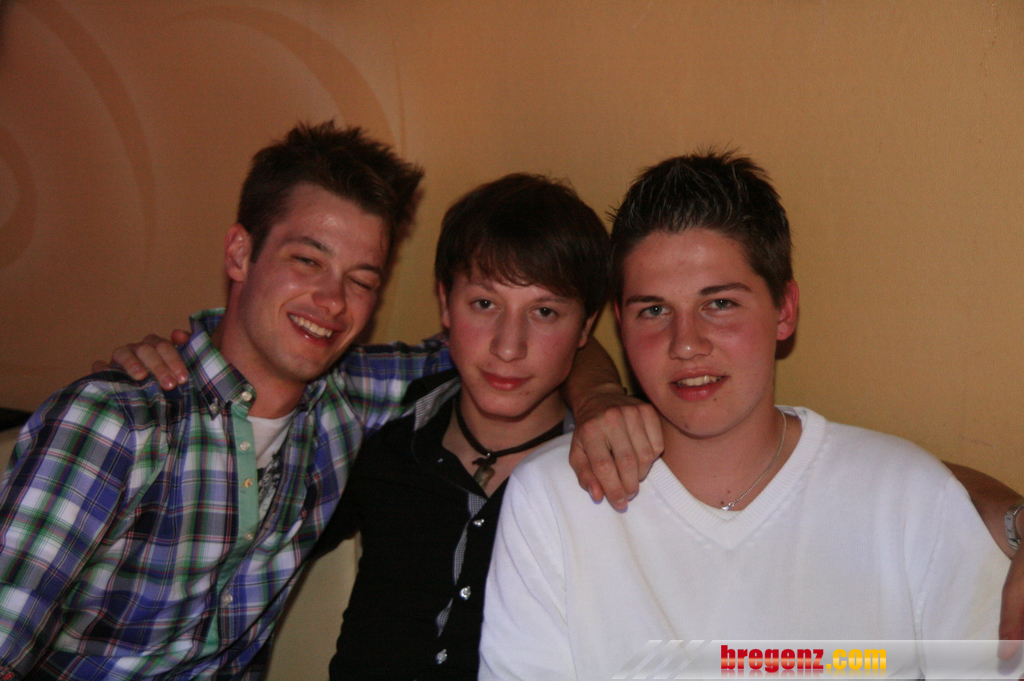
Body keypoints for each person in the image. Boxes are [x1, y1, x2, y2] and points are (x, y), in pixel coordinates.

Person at [0, 122, 651, 681]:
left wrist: (599, 396)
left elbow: (523, 351)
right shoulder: (115, 423)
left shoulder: (350, 403)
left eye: (360, 279)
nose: (332, 301)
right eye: (307, 261)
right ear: (240, 253)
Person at [479, 152, 1009, 680]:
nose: (686, 344)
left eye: (720, 304)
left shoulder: (908, 497)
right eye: (654, 310)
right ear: (620, 323)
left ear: (784, 310)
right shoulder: (554, 499)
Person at [309, 173, 610, 680]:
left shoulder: (612, 468)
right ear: (445, 302)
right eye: (484, 304)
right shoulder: (380, 431)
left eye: (544, 312)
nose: (508, 346)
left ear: (586, 327)